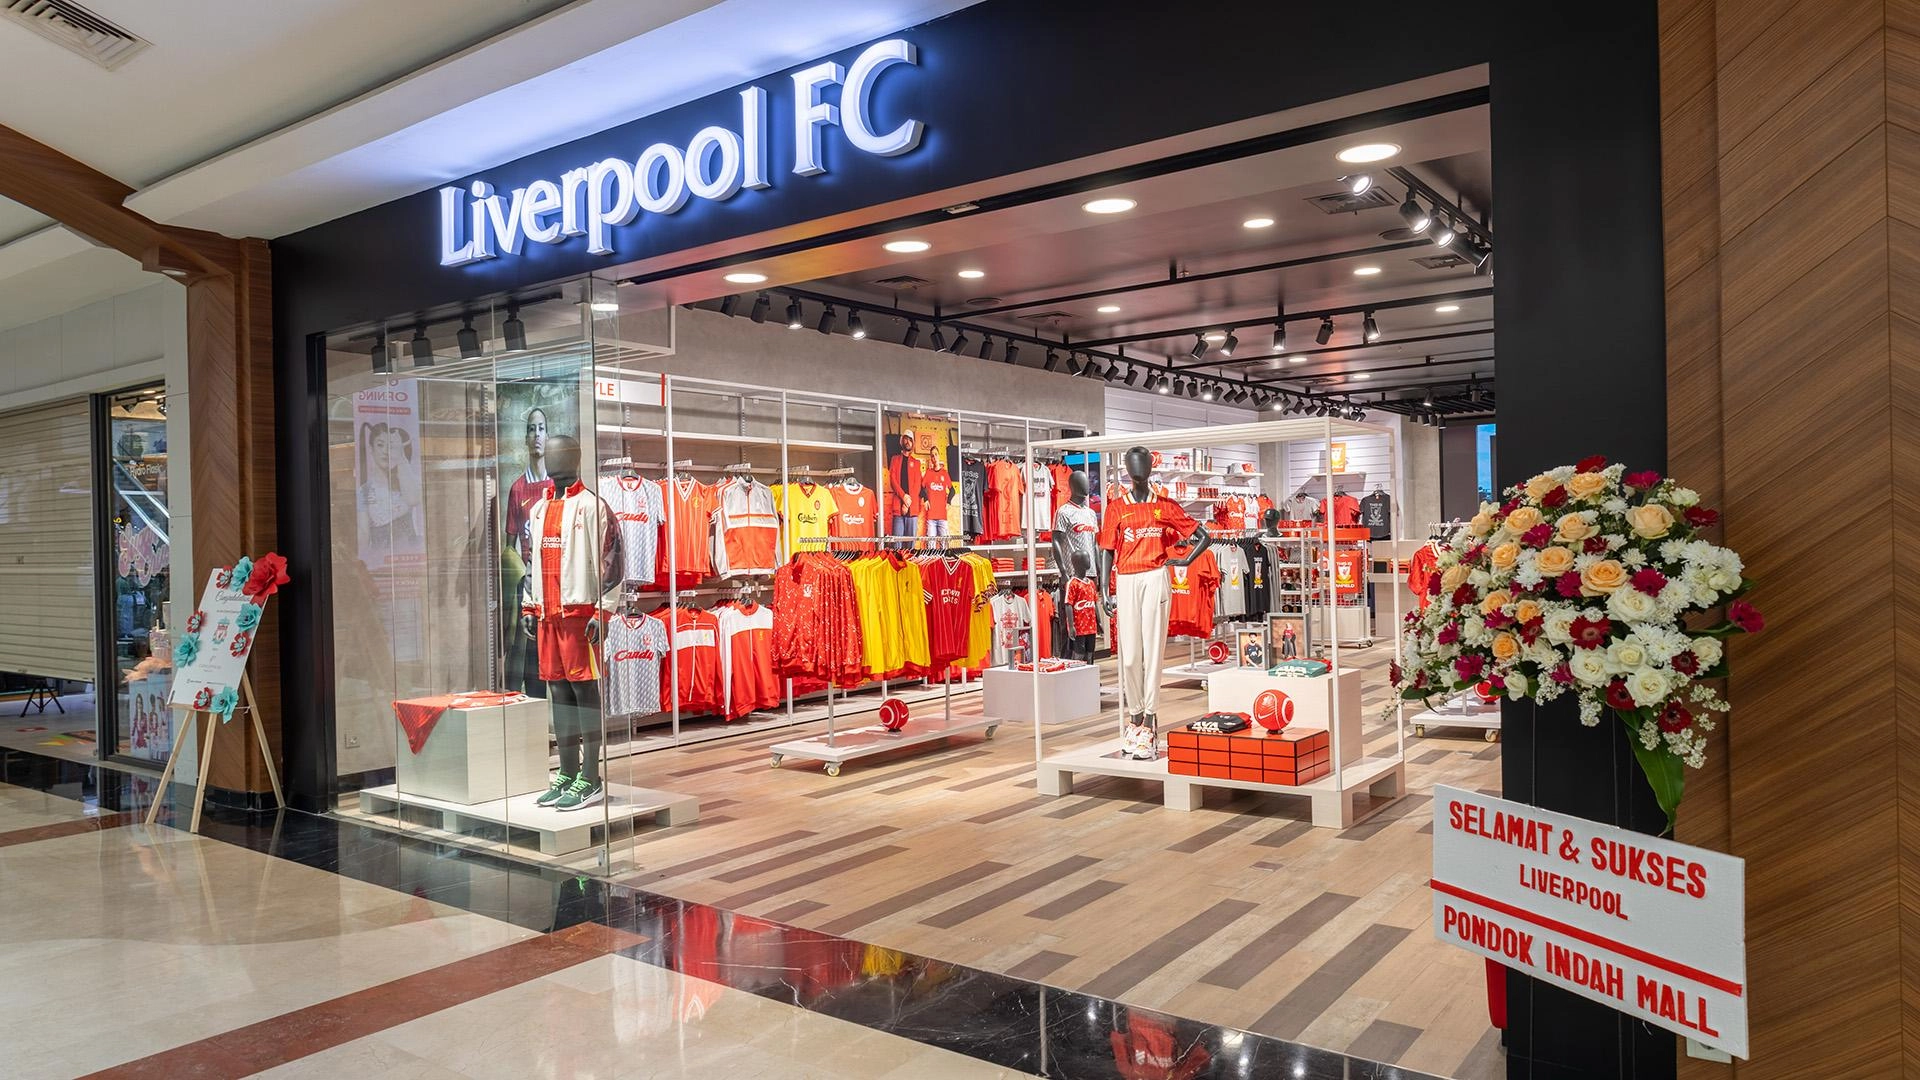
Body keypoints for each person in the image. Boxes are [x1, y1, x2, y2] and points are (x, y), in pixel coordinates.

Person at [886, 433, 922, 536]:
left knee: (911, 543)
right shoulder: (894, 459)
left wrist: (907, 503)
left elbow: (917, 485)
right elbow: (893, 481)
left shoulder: (916, 463)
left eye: (910, 440)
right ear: (902, 441)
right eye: (906, 439)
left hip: (912, 508)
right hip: (898, 508)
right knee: (897, 542)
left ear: (913, 443)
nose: (908, 442)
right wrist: (903, 496)